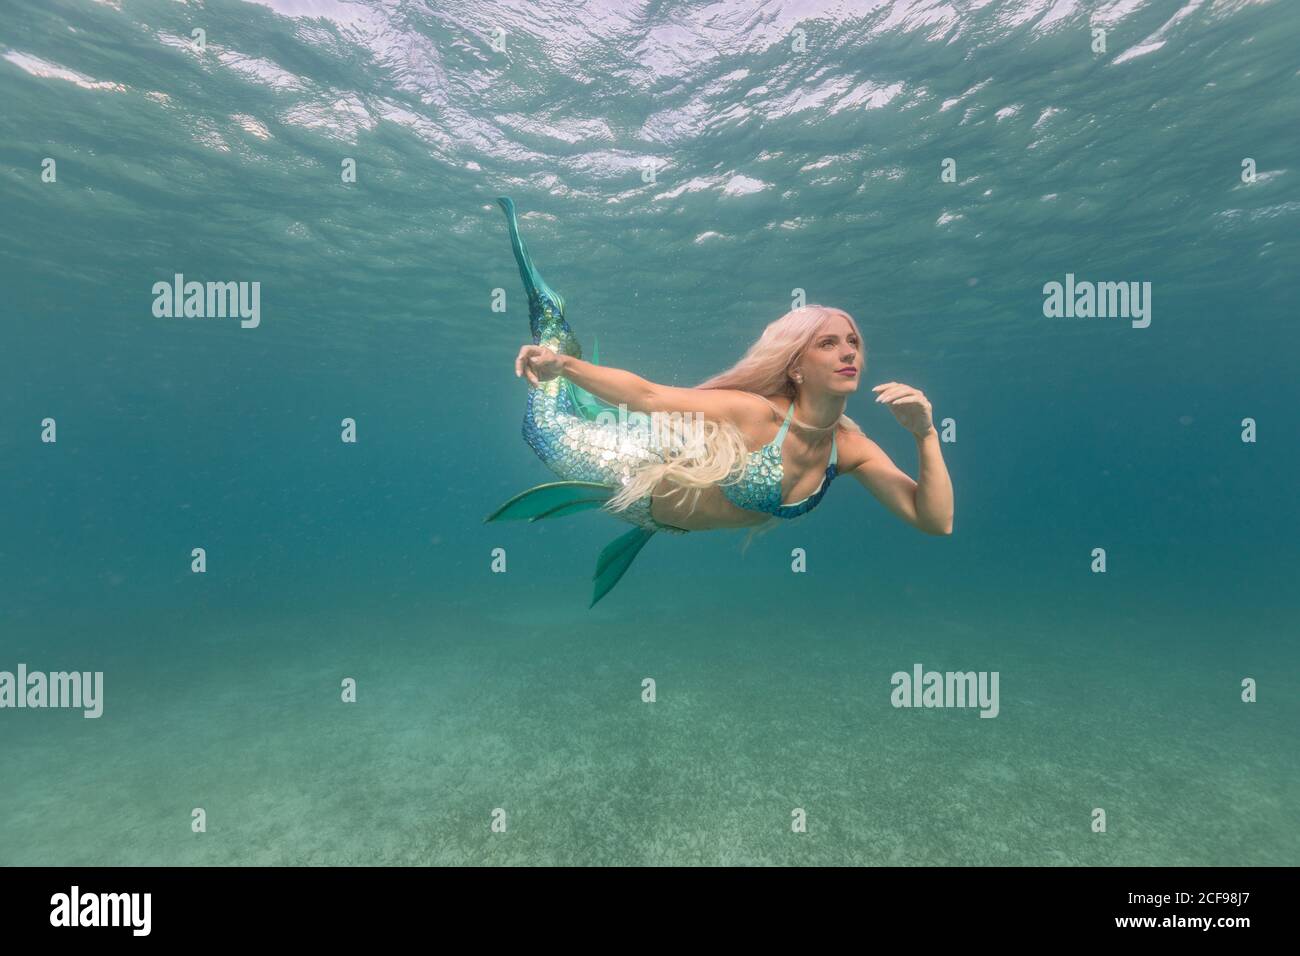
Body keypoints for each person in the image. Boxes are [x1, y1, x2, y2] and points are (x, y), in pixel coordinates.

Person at [487, 197, 954, 606]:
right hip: (622, 472)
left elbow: (935, 522)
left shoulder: (850, 449)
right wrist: (562, 366)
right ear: (795, 365)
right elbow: (646, 395)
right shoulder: (755, 413)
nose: (849, 351)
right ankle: (552, 326)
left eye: (852, 341)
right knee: (543, 429)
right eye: (828, 343)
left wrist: (925, 434)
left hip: (661, 522)